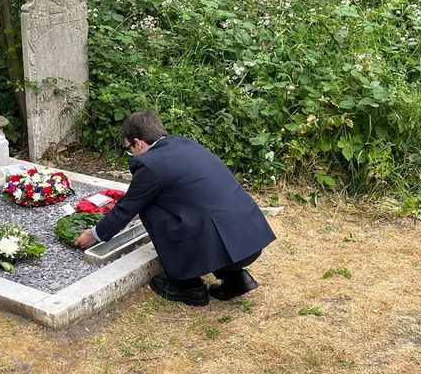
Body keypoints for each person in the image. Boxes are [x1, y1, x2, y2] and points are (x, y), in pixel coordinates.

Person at [75, 110, 275, 306]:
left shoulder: (150, 164)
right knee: (196, 207)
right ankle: (235, 278)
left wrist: (95, 234)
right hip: (249, 239)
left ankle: (187, 285)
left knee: (150, 207)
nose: (132, 154)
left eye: (130, 148)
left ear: (138, 142)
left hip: (222, 241)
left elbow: (127, 208)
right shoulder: (185, 143)